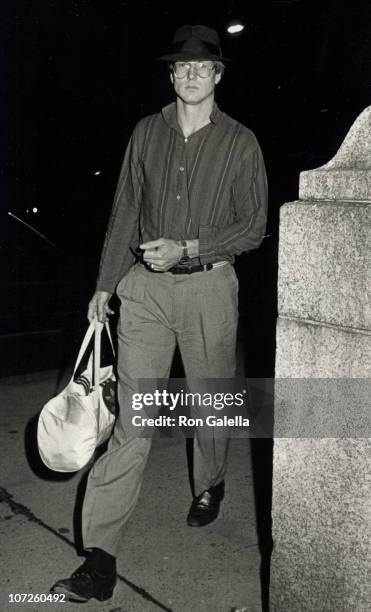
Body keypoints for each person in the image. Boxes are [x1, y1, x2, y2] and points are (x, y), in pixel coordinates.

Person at [51, 24, 268, 602]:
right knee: (133, 423)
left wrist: (191, 248)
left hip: (209, 288)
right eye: (182, 66)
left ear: (219, 74)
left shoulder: (241, 142)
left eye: (203, 66)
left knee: (208, 402)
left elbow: (253, 227)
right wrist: (104, 284)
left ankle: (211, 482)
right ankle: (100, 558)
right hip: (144, 291)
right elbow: (125, 209)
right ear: (170, 75)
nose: (191, 74)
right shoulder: (146, 133)